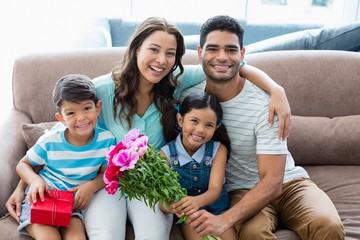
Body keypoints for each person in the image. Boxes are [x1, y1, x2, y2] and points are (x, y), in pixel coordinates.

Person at [6, 17, 291, 239]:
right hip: (106, 184)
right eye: (154, 49)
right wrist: (26, 182)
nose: (161, 60)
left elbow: (229, 66)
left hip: (152, 184)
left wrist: (276, 89)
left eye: (170, 54)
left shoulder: (177, 83)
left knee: (153, 235)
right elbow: (59, 133)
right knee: (104, 235)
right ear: (136, 48)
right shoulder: (101, 89)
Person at [181, 15, 345, 240]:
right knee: (253, 233)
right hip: (240, 189)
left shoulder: (267, 102)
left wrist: (224, 220)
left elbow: (273, 181)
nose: (222, 57)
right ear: (199, 53)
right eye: (213, 49)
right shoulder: (188, 98)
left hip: (290, 184)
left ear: (242, 55)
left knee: (328, 225)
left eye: (231, 49)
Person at [15, 74, 116, 240]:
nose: (81, 118)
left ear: (98, 108)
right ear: (61, 118)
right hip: (42, 199)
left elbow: (106, 174)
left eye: (86, 108)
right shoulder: (50, 141)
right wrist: (35, 180)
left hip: (71, 205)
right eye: (71, 113)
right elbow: (23, 165)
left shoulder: (107, 140)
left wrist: (91, 186)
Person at [160, 92, 236, 240]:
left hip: (219, 211)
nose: (200, 130)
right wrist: (171, 207)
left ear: (216, 127)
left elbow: (215, 189)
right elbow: (162, 199)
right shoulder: (166, 154)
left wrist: (196, 201)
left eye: (209, 125)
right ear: (180, 120)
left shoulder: (218, 149)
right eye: (194, 121)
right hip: (189, 216)